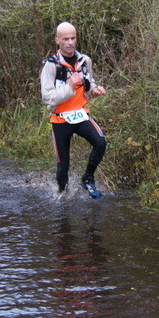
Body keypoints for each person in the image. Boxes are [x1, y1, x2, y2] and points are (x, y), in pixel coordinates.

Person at [40, 22, 107, 199]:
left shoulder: (85, 60)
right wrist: (69, 86)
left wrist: (94, 90)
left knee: (100, 143)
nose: (70, 42)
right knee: (63, 166)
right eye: (65, 39)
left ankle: (88, 178)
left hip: (80, 114)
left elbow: (88, 83)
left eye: (73, 38)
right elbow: (47, 98)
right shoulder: (51, 66)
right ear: (57, 41)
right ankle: (63, 197)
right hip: (60, 119)